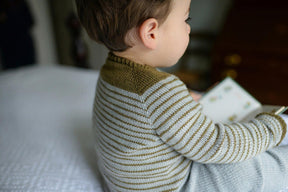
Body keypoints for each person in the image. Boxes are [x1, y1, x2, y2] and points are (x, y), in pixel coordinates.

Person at [75, 0, 288, 191]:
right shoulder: (158, 91)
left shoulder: (110, 72)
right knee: (253, 168)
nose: (188, 27)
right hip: (175, 186)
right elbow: (215, 145)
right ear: (151, 33)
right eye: (186, 19)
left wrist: (184, 100)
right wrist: (271, 127)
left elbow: (145, 112)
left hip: (127, 185)